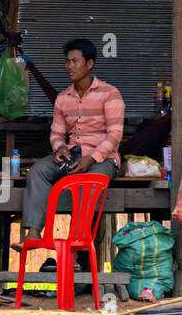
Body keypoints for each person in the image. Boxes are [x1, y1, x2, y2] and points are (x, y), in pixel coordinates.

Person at [15, 38, 123, 250]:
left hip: (103, 159)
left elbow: (115, 135)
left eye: (75, 61)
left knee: (88, 180)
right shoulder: (63, 98)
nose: (69, 66)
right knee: (37, 171)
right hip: (72, 155)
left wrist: (91, 158)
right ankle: (34, 233)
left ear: (89, 64)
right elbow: (56, 133)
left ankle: (76, 242)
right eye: (67, 61)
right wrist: (60, 148)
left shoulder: (110, 94)